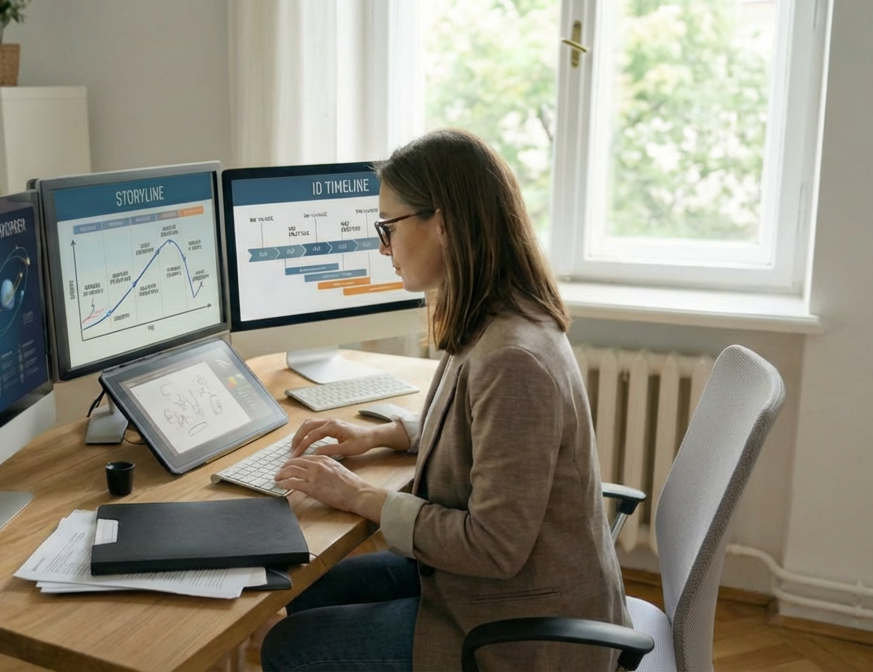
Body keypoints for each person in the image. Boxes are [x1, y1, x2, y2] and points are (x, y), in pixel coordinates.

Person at [261, 128, 629, 672]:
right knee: (306, 584)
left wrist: (359, 495)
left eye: (387, 228)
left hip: (522, 630)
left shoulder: (513, 357)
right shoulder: (495, 315)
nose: (381, 246)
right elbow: (480, 430)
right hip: (502, 591)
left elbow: (492, 546)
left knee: (288, 648)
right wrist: (384, 434)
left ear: (445, 224)